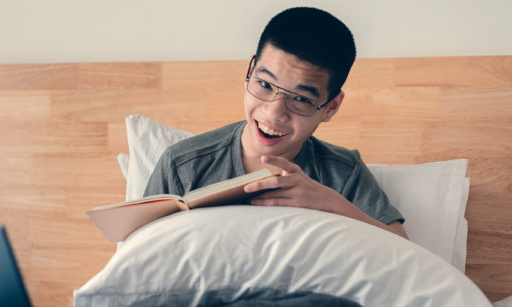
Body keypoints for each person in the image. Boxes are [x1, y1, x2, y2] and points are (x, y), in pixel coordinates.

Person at [143, 7, 407, 239]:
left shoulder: (343, 173)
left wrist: (329, 203)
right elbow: (136, 259)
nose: (274, 112)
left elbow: (405, 254)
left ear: (331, 107)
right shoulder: (182, 164)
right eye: (266, 84)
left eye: (301, 99)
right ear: (250, 70)